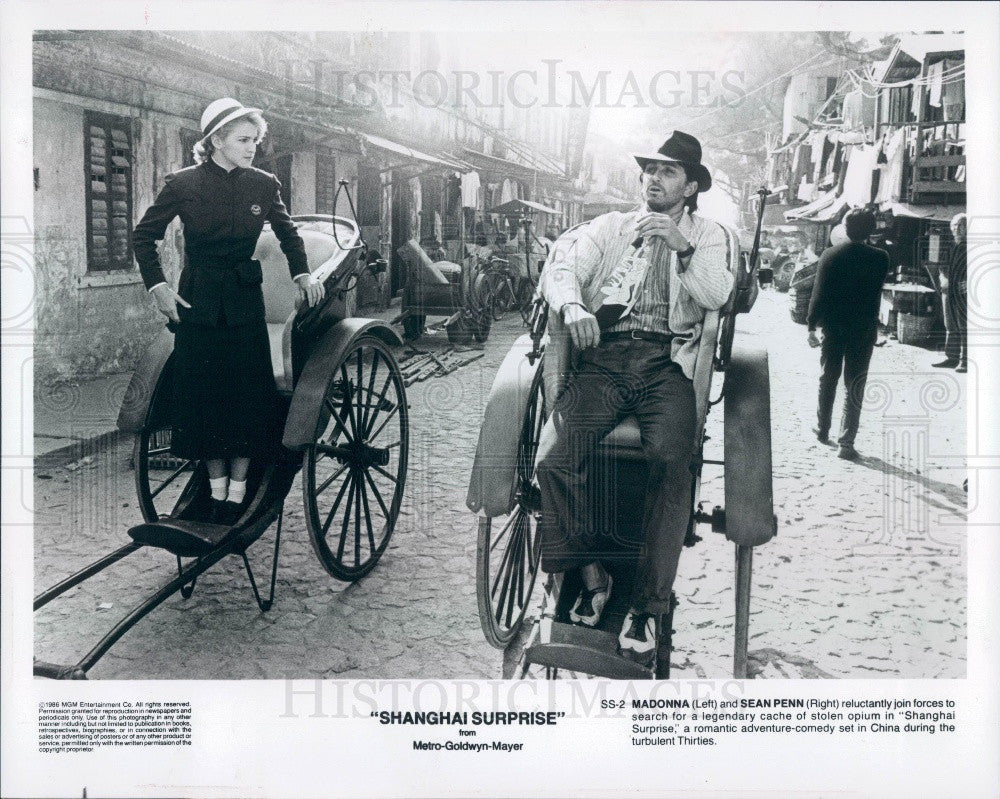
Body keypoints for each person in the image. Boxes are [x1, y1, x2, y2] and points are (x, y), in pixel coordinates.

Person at [536, 130, 733, 662]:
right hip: (604, 359)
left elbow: (717, 295)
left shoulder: (709, 235)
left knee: (672, 462)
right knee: (551, 461)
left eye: (669, 172)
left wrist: (682, 246)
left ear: (690, 186)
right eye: (650, 169)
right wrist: (573, 305)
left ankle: (648, 603)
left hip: (667, 363)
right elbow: (563, 268)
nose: (654, 178)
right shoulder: (610, 227)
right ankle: (590, 571)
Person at [133, 98, 325, 524]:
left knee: (245, 395)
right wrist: (158, 286)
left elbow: (289, 236)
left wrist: (303, 275)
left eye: (255, 139)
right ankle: (214, 487)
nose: (252, 146)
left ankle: (238, 490)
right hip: (196, 303)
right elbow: (143, 237)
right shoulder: (181, 184)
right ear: (216, 140)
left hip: (243, 303)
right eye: (243, 139)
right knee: (205, 396)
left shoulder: (264, 183)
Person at [806, 208, 889, 460]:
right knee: (855, 383)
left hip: (834, 325)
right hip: (863, 328)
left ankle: (822, 430)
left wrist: (811, 325)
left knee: (828, 377)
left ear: (845, 227)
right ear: (872, 230)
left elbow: (818, 294)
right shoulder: (881, 258)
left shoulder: (830, 255)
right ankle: (846, 443)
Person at [932, 213, 967, 372]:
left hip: (962, 292)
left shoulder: (970, 245)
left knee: (963, 325)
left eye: (961, 225)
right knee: (950, 324)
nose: (957, 229)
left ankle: (964, 360)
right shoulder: (950, 245)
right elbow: (940, 266)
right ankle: (951, 357)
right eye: (954, 225)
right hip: (948, 289)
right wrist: (942, 279)